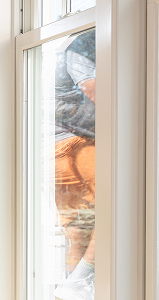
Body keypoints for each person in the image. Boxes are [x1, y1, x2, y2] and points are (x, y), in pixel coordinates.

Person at [52, 30, 96, 300]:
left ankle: (72, 288)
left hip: (50, 146)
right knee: (119, 205)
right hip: (74, 143)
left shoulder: (53, 53)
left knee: (76, 227)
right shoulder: (81, 49)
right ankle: (82, 280)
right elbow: (95, 91)